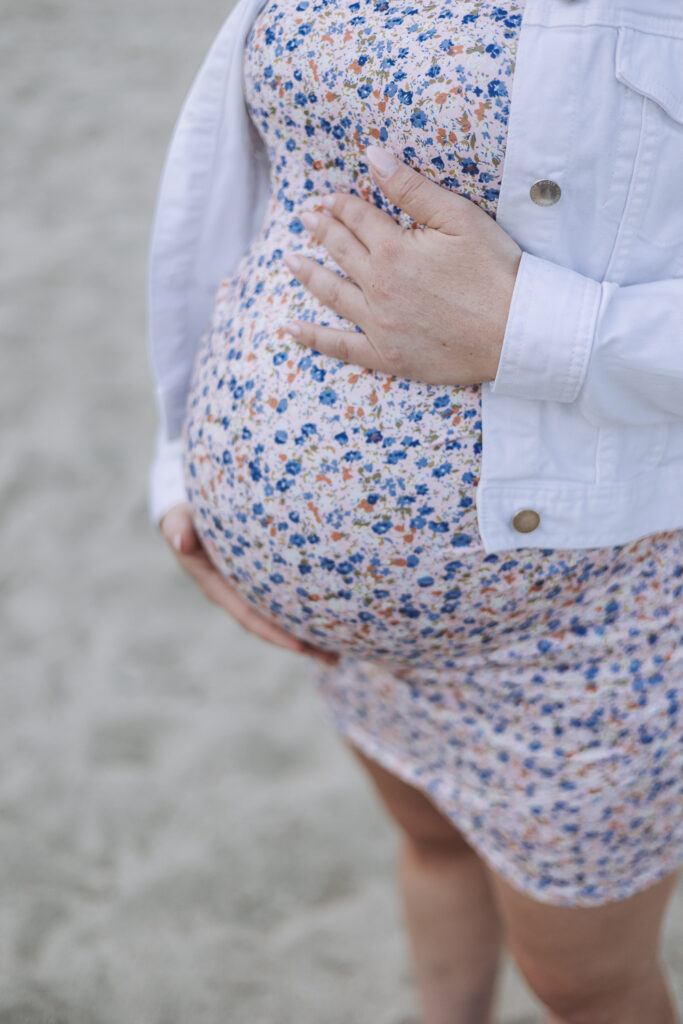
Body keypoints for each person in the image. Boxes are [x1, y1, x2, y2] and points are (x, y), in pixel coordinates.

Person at [147, 0, 683, 1021]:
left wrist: (531, 327)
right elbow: (256, 193)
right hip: (359, 647)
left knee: (586, 983)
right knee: (433, 845)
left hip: (588, 620)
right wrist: (182, 465)